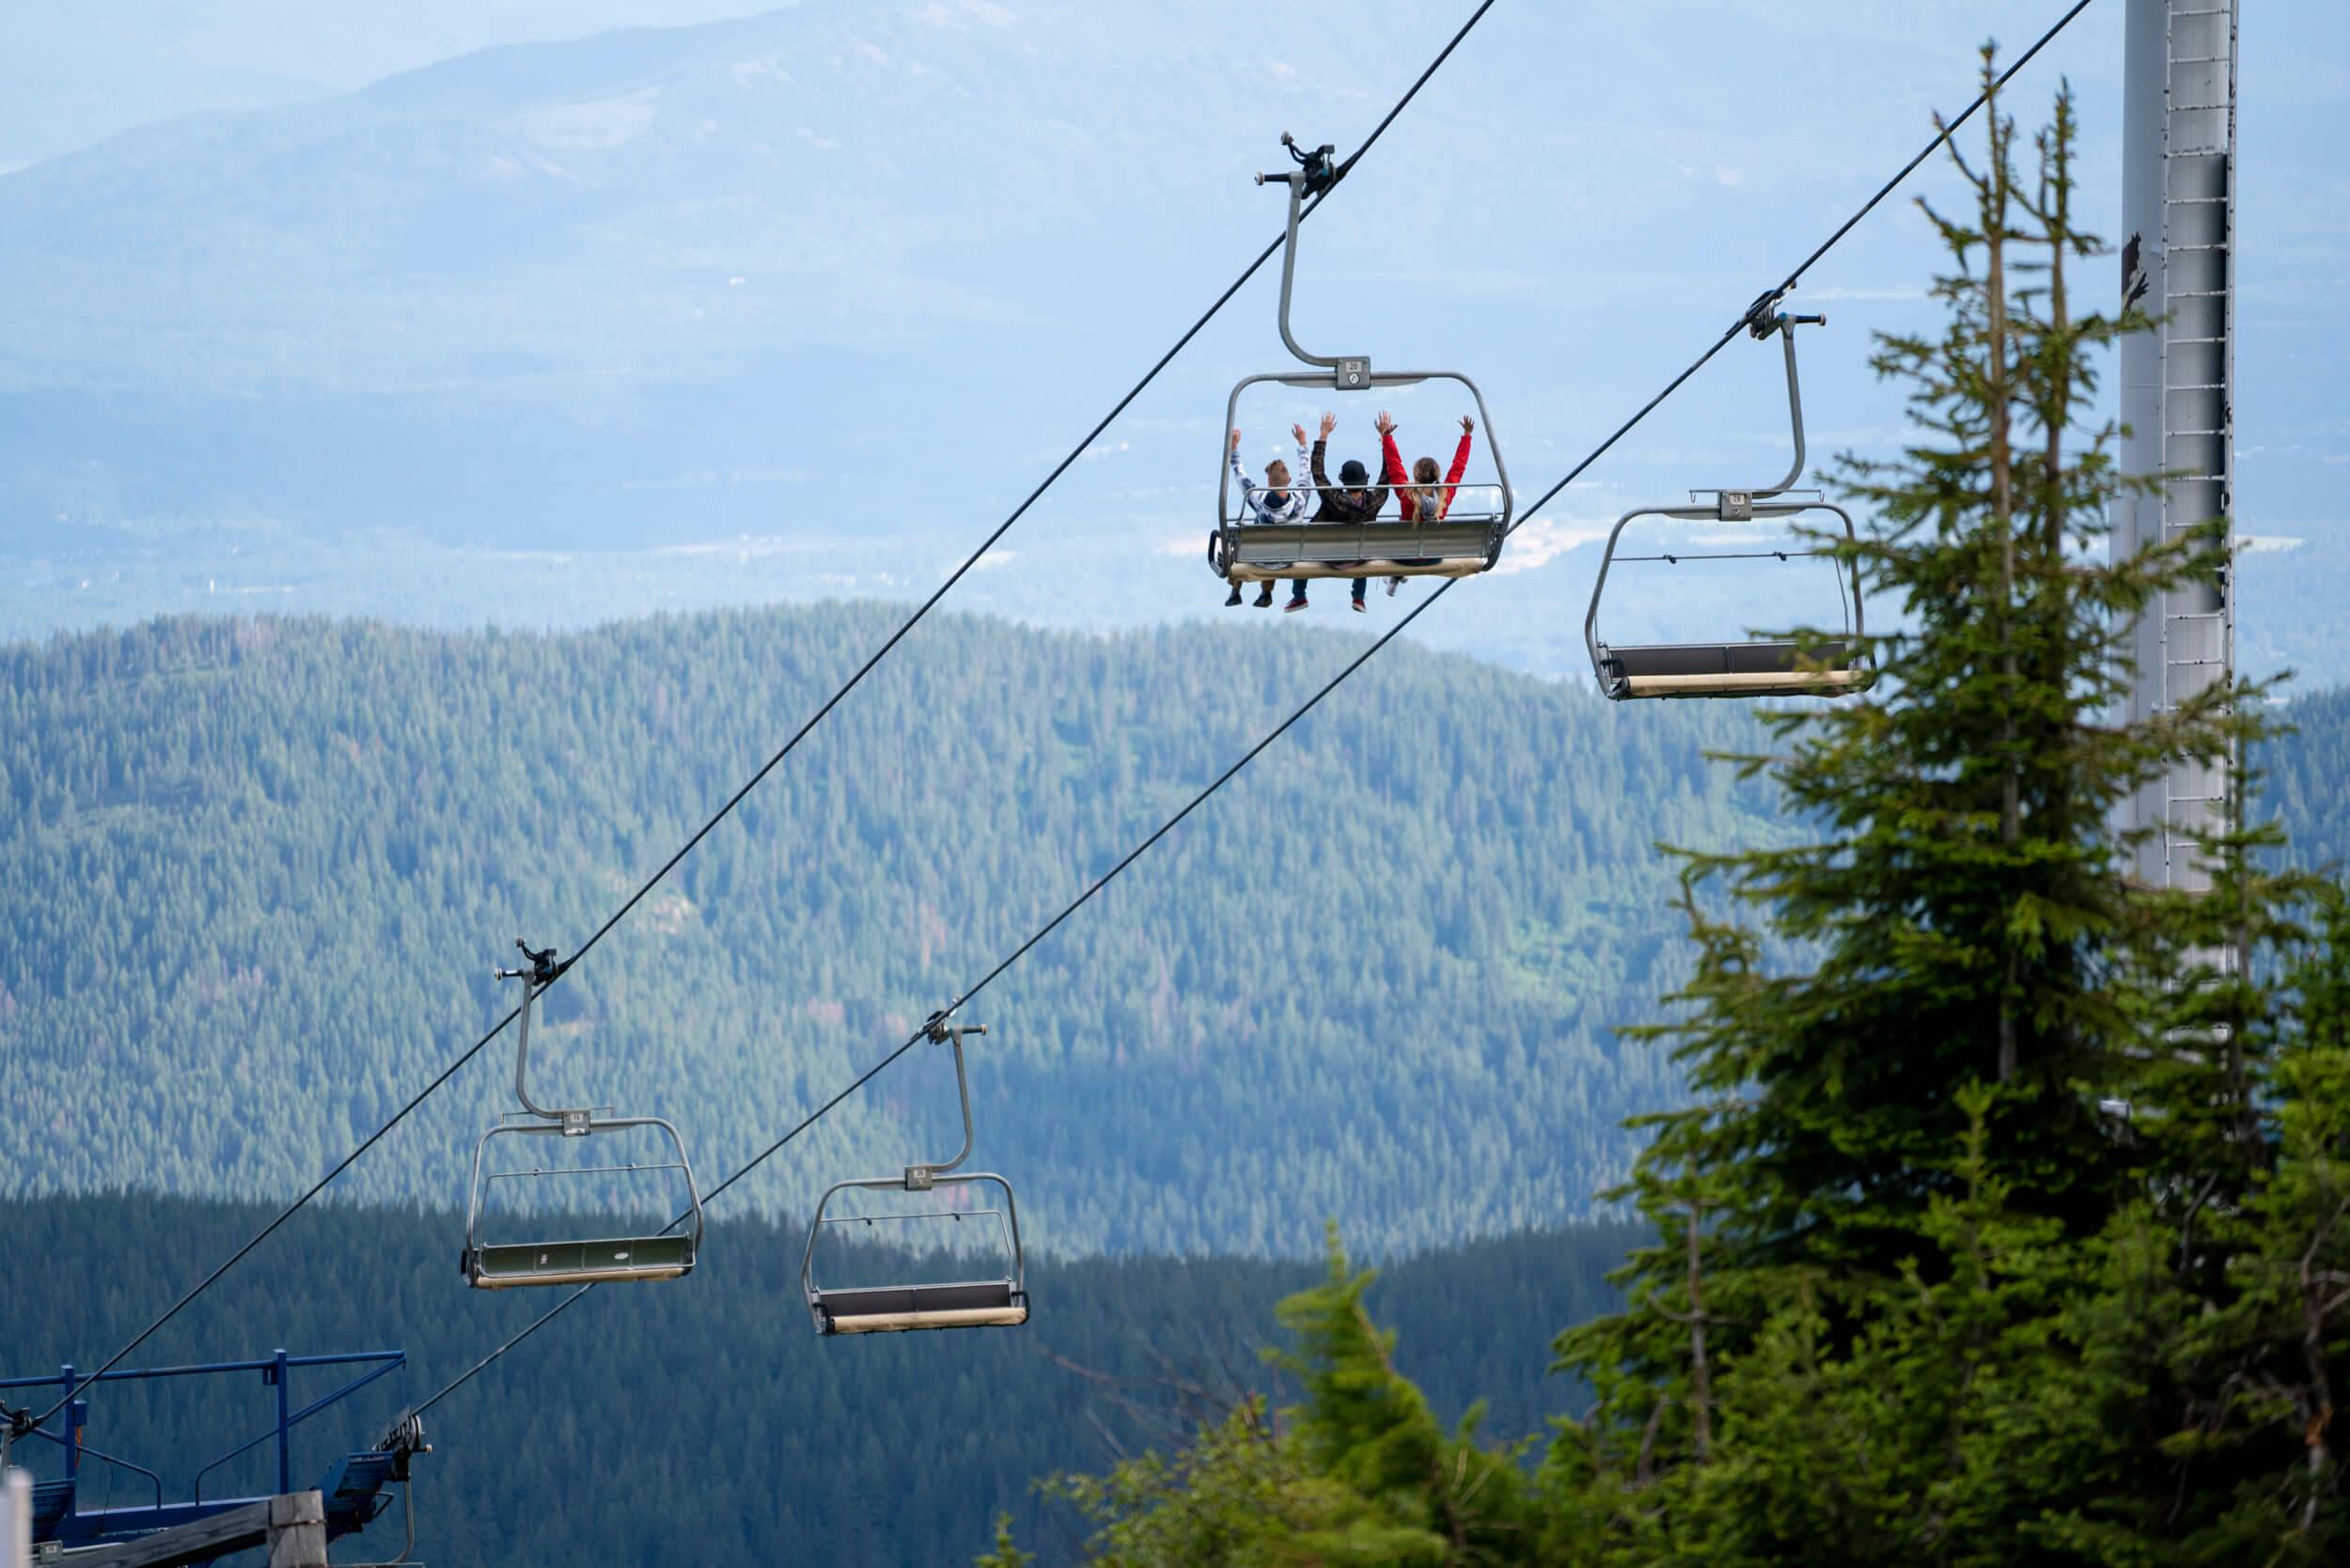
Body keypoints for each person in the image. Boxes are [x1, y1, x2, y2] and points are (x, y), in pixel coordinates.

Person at [1374, 411, 1475, 595]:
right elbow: (1458, 468)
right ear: (1437, 474)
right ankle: (1396, 577)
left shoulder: (1406, 494)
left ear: (1415, 475)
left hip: (1405, 557)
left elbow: (1394, 467)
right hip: (1433, 557)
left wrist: (1386, 438)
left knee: (1401, 540)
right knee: (1410, 542)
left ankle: (1396, 575)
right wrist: (1467, 436)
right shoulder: (1446, 494)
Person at [1298, 412, 1388, 613]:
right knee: (1362, 548)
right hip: (1358, 555)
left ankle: (1299, 595)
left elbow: (1318, 473)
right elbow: (1387, 476)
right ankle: (1358, 597)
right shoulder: (1374, 501)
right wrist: (1385, 440)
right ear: (1366, 479)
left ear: (1341, 479)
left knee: (1302, 550)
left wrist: (1323, 436)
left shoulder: (1334, 500)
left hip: (1331, 556)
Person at [1225, 426, 1311, 607]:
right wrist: (1302, 443)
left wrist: (1234, 449)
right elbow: (1305, 474)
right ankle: (1266, 592)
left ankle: (1235, 591)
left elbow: (1241, 477)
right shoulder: (1300, 502)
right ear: (1289, 480)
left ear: (1270, 482)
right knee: (1275, 550)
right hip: (1288, 559)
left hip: (1260, 558)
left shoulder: (1257, 500)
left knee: (1240, 543)